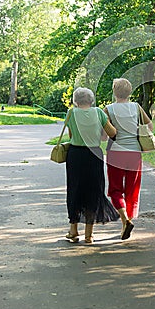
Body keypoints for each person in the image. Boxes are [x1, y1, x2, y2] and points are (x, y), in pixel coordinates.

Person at [65, 87, 119, 243]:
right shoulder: (99, 113)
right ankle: (89, 235)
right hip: (94, 155)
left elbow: (71, 135)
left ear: (76, 100)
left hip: (75, 155)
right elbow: (112, 133)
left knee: (74, 190)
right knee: (93, 191)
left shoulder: (71, 113)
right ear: (91, 100)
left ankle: (73, 231)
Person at [104, 78, 153, 240]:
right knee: (132, 189)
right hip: (134, 153)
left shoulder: (108, 109)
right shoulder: (136, 107)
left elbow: (105, 135)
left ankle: (125, 220)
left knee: (115, 189)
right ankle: (128, 221)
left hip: (116, 152)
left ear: (114, 91)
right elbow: (150, 126)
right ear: (129, 92)